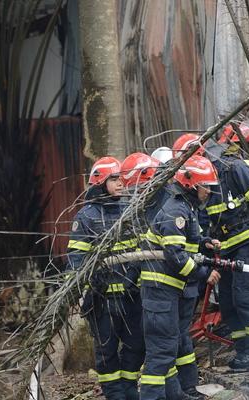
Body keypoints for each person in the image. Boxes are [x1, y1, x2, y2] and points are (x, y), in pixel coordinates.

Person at [139, 155, 221, 400]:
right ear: (191, 184)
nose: (209, 192)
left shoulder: (187, 209)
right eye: (206, 186)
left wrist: (205, 243)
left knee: (172, 345)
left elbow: (187, 243)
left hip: (170, 291)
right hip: (160, 290)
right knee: (161, 351)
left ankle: (176, 394)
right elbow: (176, 256)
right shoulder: (176, 211)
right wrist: (204, 274)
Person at [67, 156, 143, 400]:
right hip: (103, 300)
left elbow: (143, 249)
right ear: (100, 183)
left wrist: (135, 274)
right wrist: (79, 287)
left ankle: (129, 389)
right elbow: (76, 259)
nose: (121, 183)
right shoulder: (86, 217)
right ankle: (115, 394)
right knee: (106, 352)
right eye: (114, 179)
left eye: (121, 178)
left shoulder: (129, 211)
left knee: (136, 346)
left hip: (132, 296)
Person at [206, 122, 249, 370]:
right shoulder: (205, 179)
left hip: (247, 246)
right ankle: (243, 351)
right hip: (224, 251)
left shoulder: (235, 168)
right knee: (228, 303)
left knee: (246, 299)